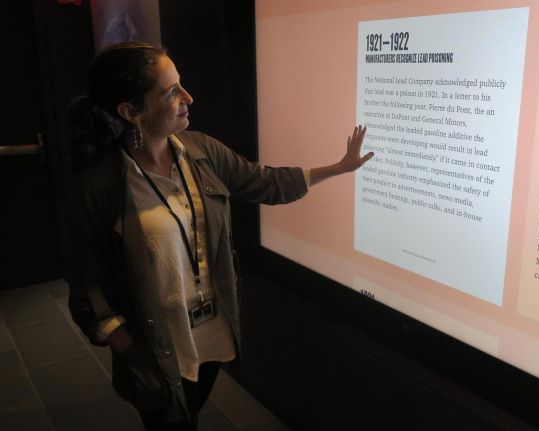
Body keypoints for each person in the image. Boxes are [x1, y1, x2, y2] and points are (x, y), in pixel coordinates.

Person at [63, 41, 372, 430]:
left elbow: (265, 182)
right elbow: (87, 288)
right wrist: (131, 353)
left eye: (181, 84)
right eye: (170, 92)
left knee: (190, 415)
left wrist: (339, 168)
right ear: (131, 112)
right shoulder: (99, 187)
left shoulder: (200, 151)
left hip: (209, 334)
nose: (188, 97)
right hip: (157, 348)